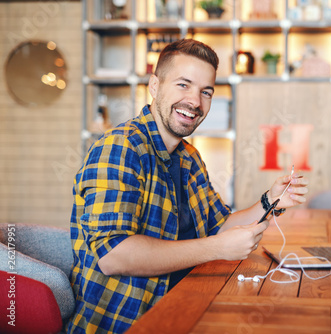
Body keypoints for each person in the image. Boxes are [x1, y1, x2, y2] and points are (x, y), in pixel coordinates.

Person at [67, 39, 308, 333]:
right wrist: (216, 248)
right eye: (184, 85)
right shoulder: (121, 148)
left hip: (185, 306)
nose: (195, 102)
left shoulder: (189, 157)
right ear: (154, 86)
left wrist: (270, 202)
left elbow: (218, 226)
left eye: (205, 92)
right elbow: (113, 255)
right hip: (126, 323)